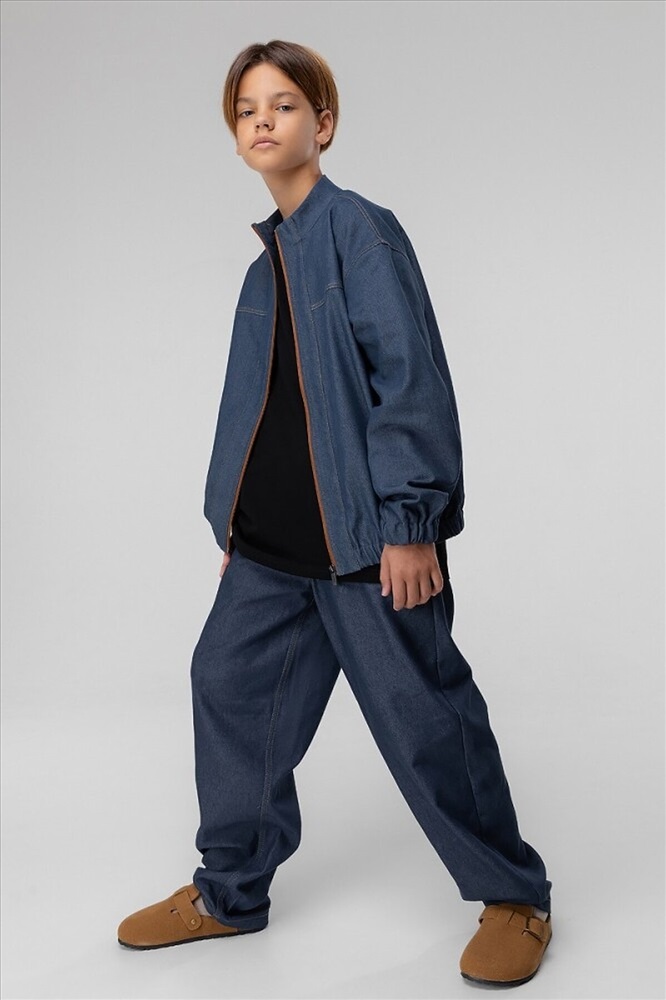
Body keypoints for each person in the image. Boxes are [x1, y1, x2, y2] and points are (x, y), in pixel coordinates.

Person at [117, 39, 553, 988]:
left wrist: (411, 521)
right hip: (271, 551)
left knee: (422, 718)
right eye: (246, 110)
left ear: (323, 122)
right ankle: (230, 892)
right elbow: (260, 409)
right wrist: (235, 523)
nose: (262, 121)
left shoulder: (360, 231)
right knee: (227, 687)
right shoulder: (263, 268)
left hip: (365, 544)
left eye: (281, 104)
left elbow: (410, 378)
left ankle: (515, 896)